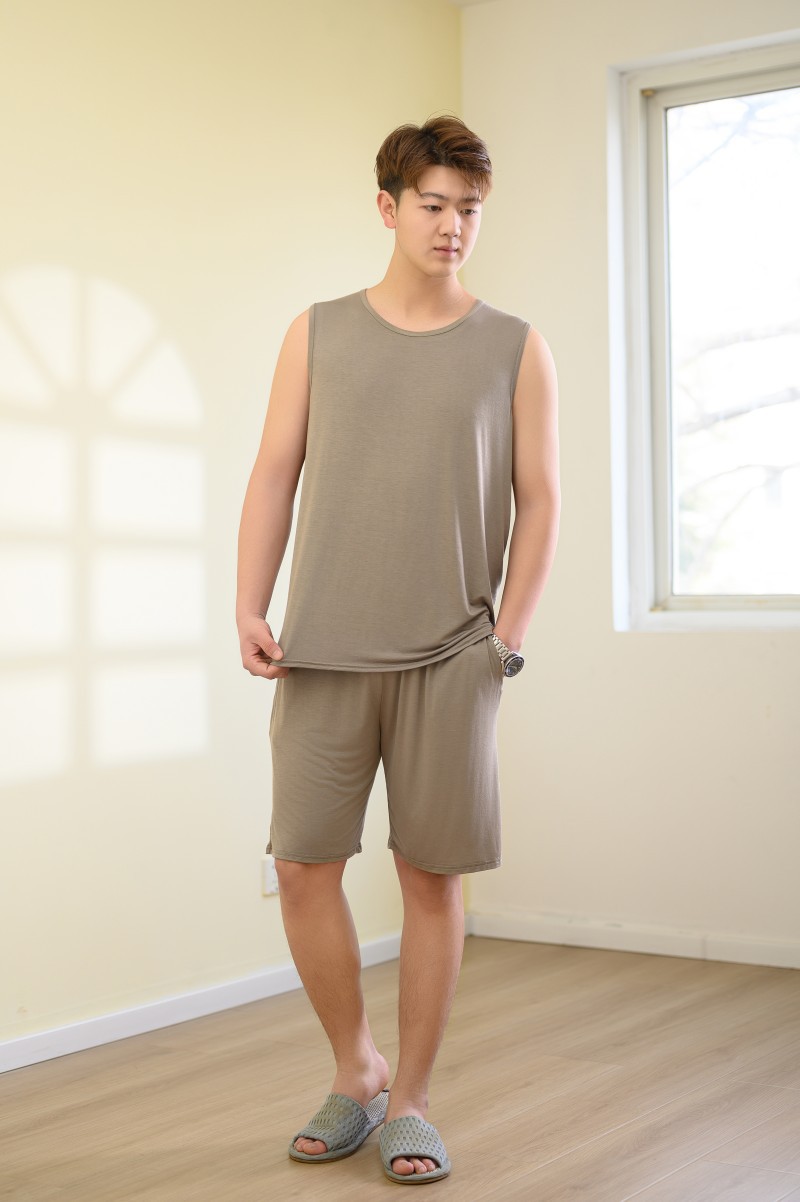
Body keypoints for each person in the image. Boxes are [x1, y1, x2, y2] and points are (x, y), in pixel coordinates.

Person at [236, 114, 560, 1185]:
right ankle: (357, 1068)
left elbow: (541, 499)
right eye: (432, 204)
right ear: (387, 207)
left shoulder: (515, 347)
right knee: (301, 866)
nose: (451, 225)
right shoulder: (316, 332)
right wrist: (249, 600)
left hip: (451, 655)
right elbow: (274, 471)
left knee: (429, 877)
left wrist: (503, 644)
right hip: (324, 650)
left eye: (469, 208)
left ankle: (412, 1098)